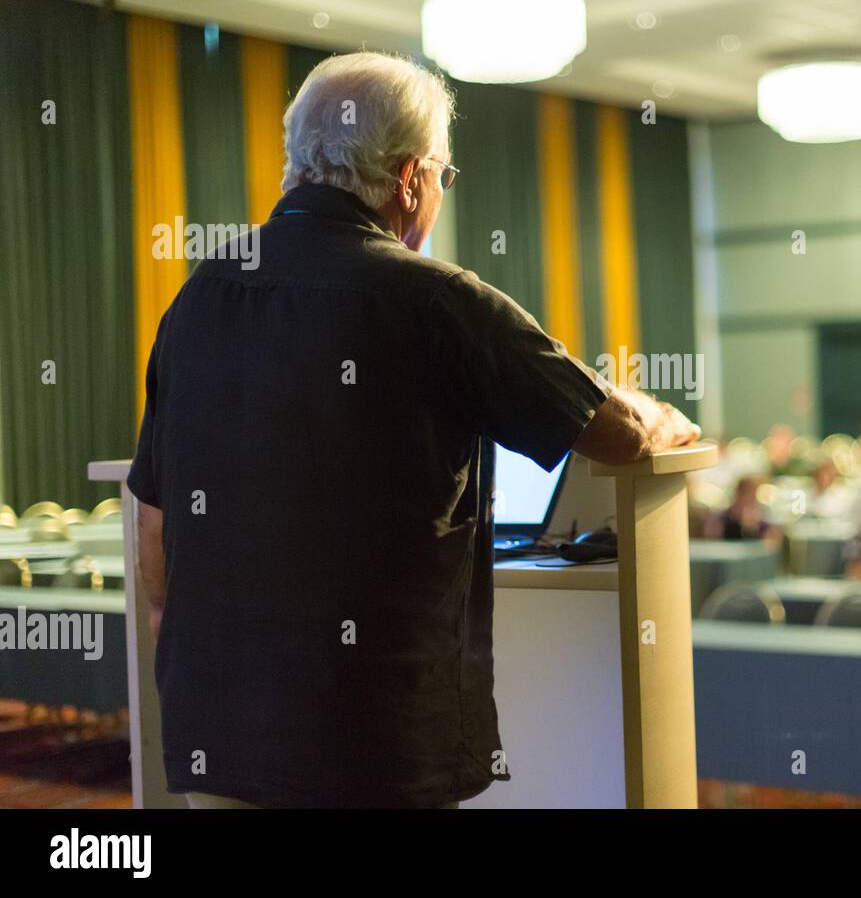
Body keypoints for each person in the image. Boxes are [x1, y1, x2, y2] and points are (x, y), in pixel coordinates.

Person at [127, 52, 699, 809]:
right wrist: (666, 416)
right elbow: (620, 434)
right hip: (372, 746)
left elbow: (154, 534)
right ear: (409, 177)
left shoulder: (197, 296)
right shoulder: (438, 301)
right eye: (444, 178)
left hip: (219, 735)